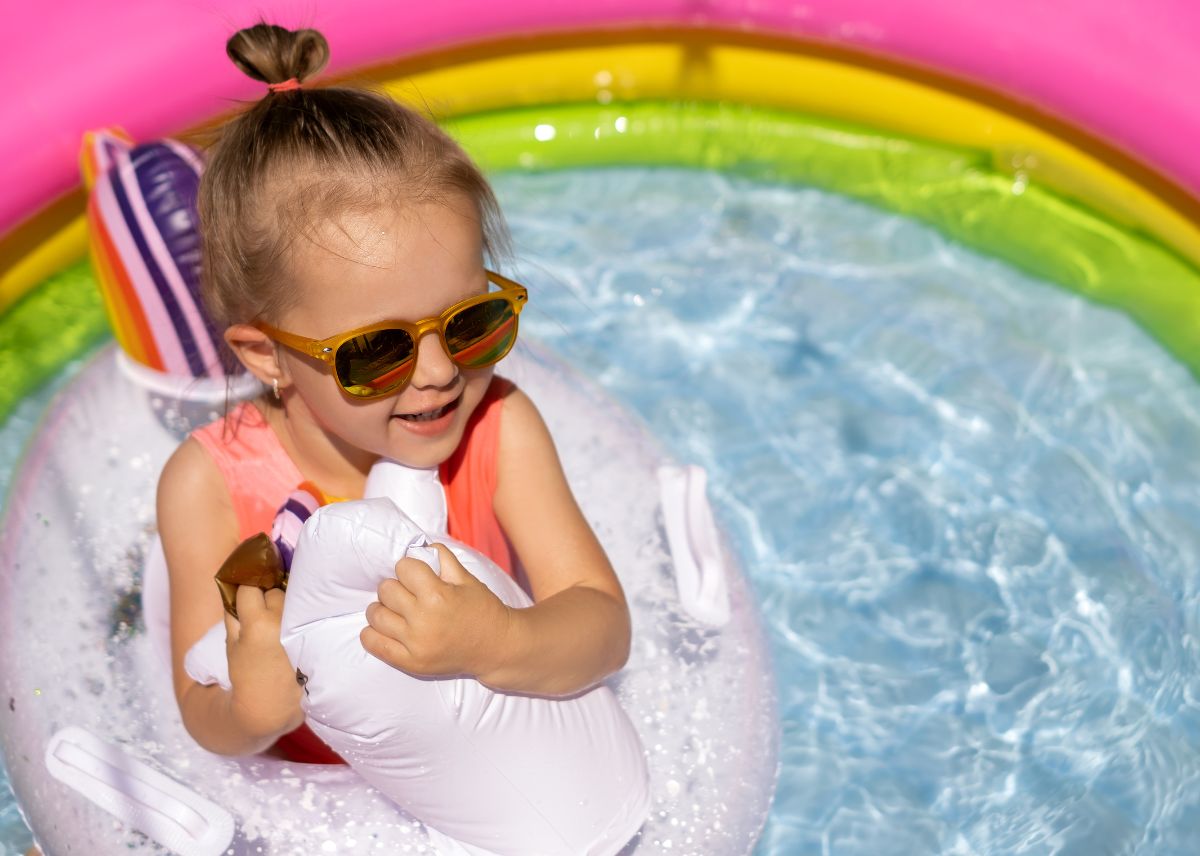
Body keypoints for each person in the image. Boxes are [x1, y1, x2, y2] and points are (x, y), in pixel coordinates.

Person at [155, 21, 641, 838]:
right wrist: (253, 707)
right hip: (319, 816)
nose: (439, 371)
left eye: (470, 321)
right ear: (266, 355)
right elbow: (197, 712)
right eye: (375, 349)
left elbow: (603, 626)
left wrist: (501, 641)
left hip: (492, 785)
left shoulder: (500, 427)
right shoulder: (208, 482)